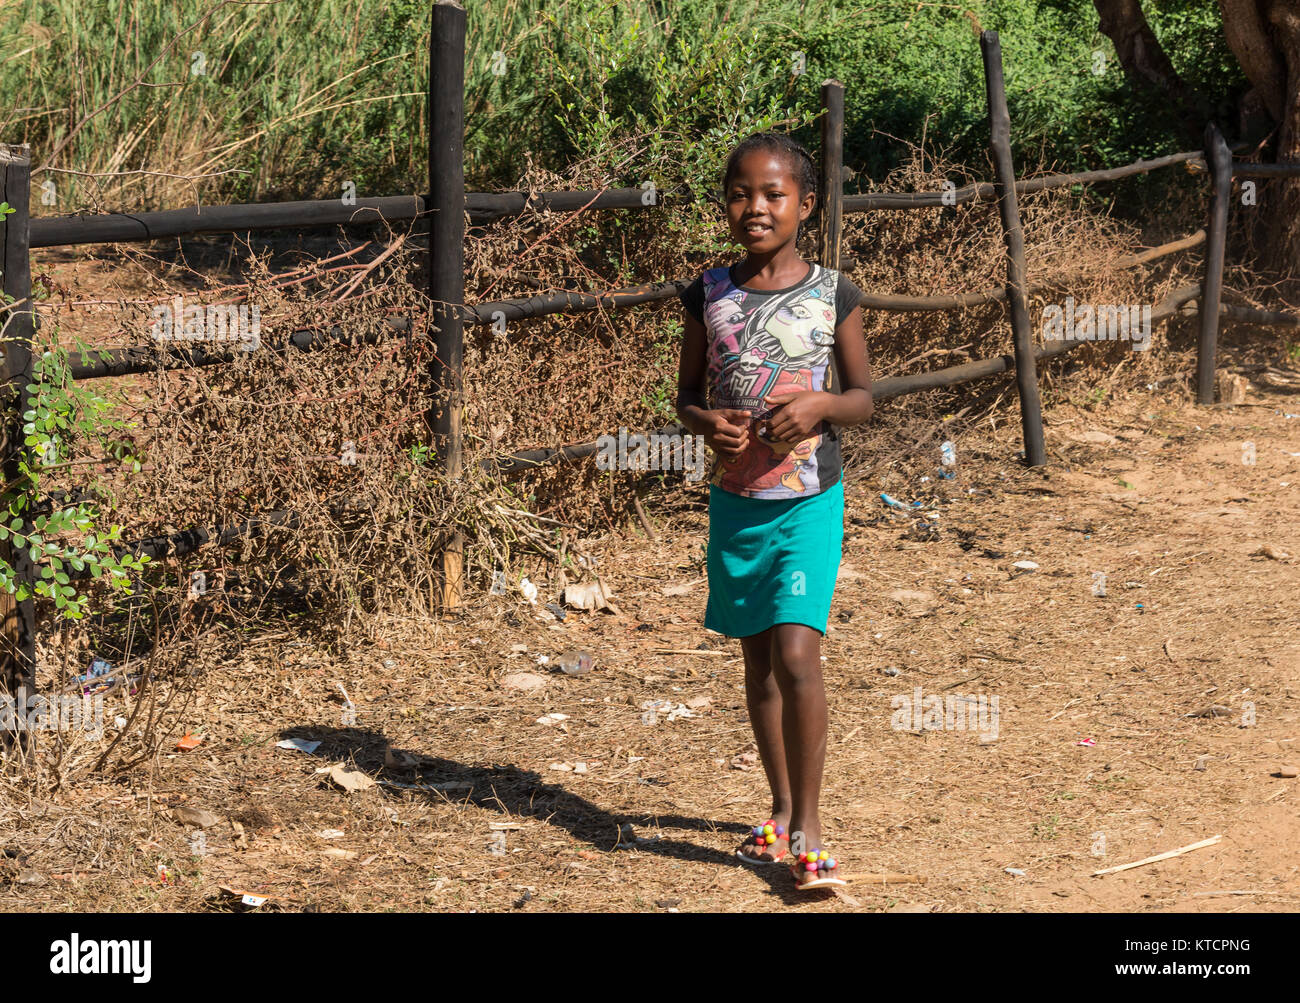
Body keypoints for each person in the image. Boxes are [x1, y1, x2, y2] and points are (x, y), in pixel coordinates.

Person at [675, 133, 873, 890]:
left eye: (773, 195)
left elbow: (862, 396)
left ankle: (813, 826)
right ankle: (781, 805)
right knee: (756, 660)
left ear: (806, 205)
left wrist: (822, 403)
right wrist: (705, 423)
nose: (754, 207)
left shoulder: (832, 293)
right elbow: (686, 392)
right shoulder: (708, 293)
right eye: (739, 193)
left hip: (809, 502)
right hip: (738, 505)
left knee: (796, 654)